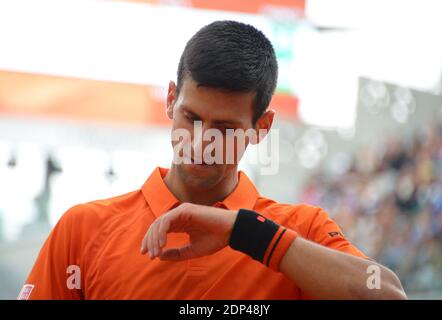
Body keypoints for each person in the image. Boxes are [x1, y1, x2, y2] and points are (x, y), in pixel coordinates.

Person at [19, 20, 407, 300]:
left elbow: (385, 291)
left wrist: (248, 234)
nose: (202, 141)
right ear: (171, 99)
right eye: (192, 117)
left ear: (262, 126)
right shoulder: (82, 231)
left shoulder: (300, 230)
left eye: (224, 127)